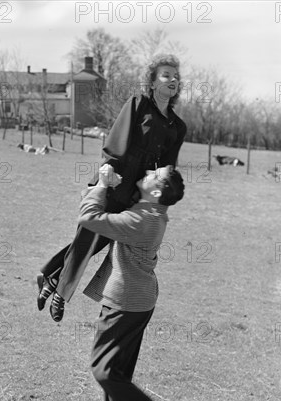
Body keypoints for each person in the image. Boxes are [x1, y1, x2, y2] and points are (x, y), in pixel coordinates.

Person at [37, 53, 187, 322]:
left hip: (137, 194)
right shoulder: (139, 104)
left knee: (98, 241)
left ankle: (51, 275)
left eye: (175, 76)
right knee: (86, 239)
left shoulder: (178, 126)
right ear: (152, 82)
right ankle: (60, 290)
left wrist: (156, 200)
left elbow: (167, 168)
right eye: (166, 74)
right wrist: (109, 174)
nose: (173, 79)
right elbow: (117, 140)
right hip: (113, 180)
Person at [77, 165, 185, 401]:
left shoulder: (141, 219)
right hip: (139, 300)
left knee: (104, 369)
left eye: (154, 174)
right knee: (119, 370)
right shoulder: (151, 213)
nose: (148, 171)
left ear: (158, 191)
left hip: (125, 302)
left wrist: (101, 185)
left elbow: (89, 217)